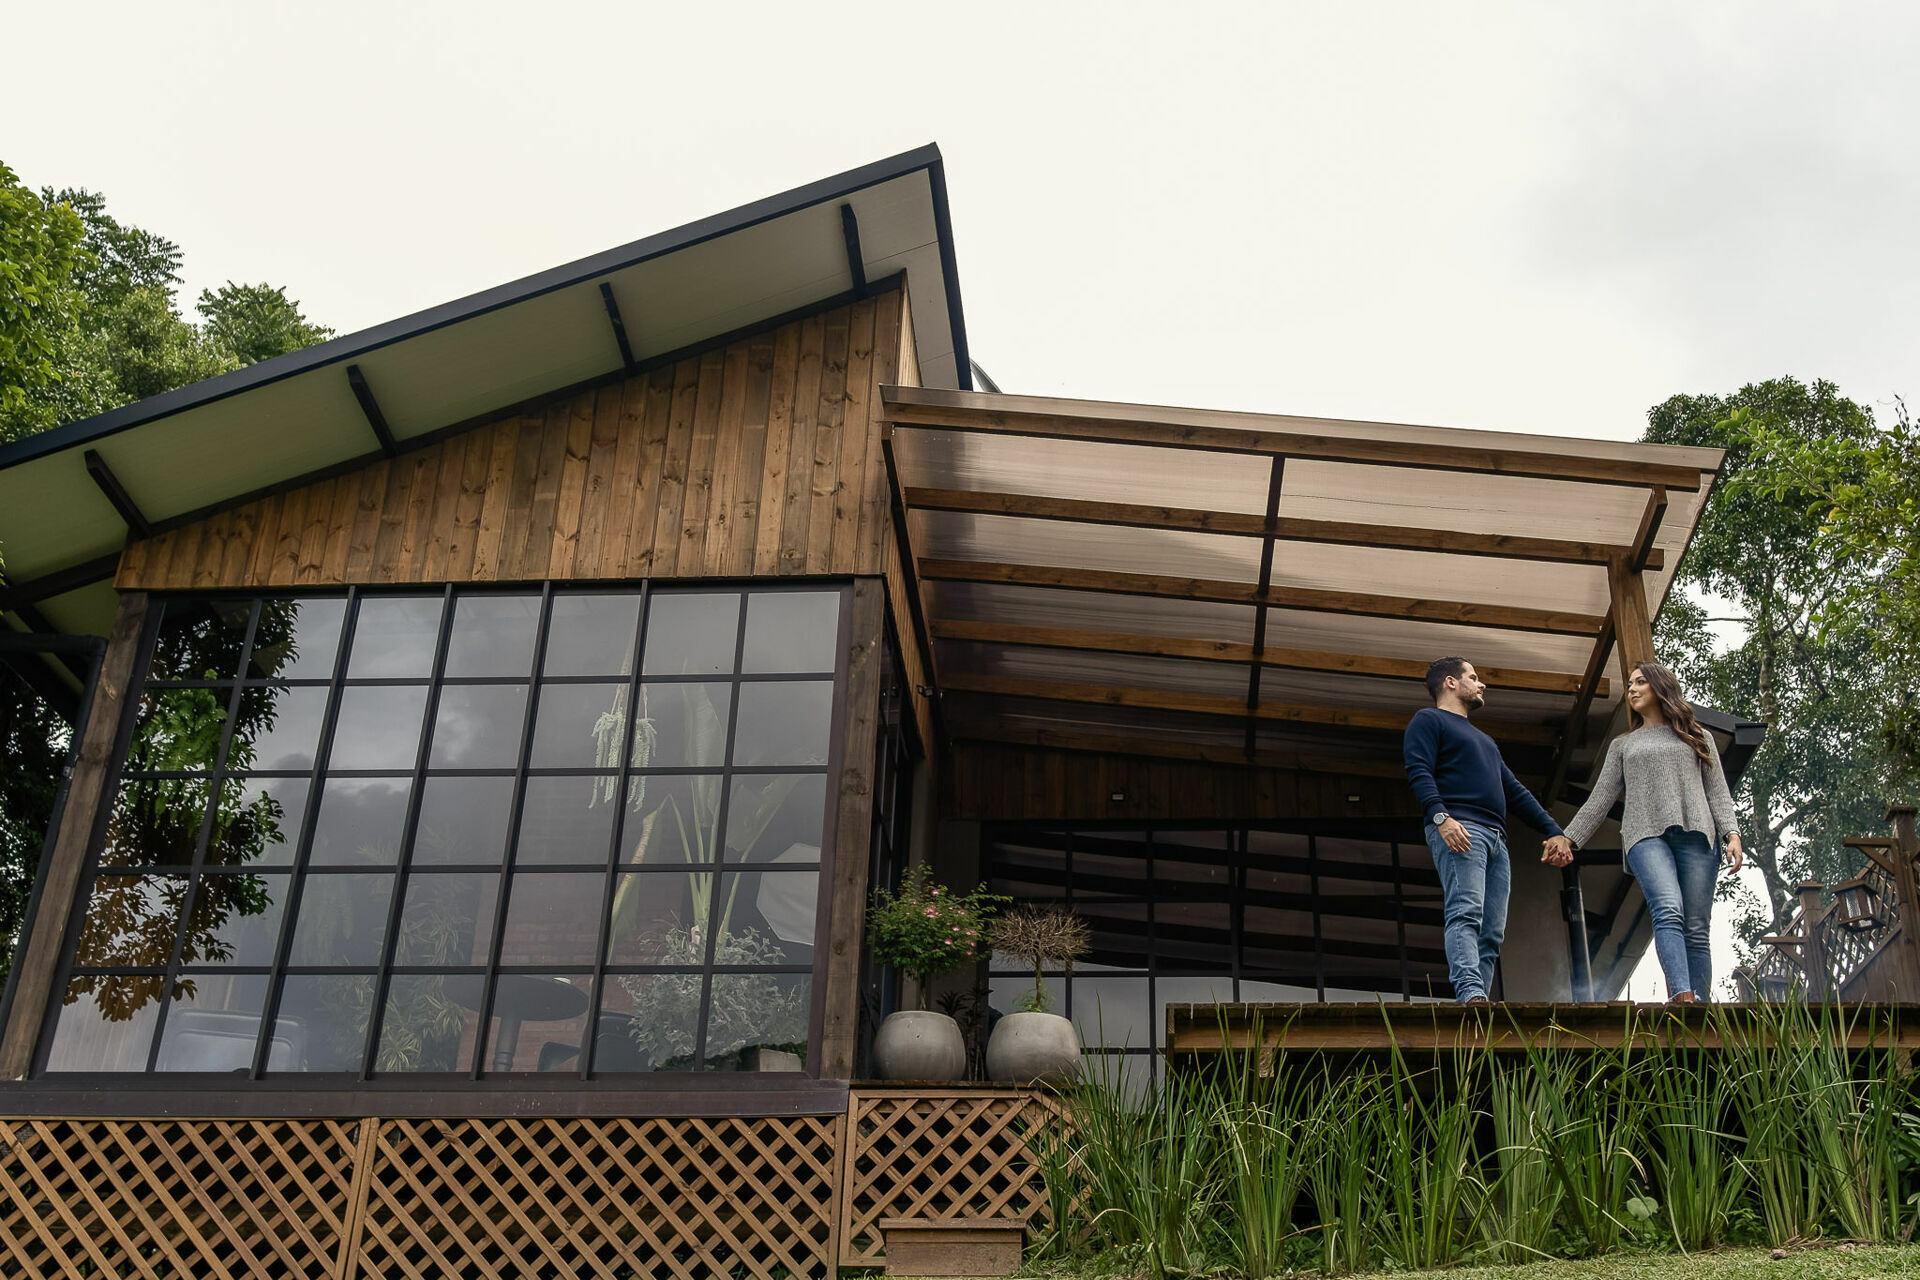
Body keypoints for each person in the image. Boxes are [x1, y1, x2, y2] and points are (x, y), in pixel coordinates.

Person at [1560, 660, 1744, 1003]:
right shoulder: (1623, 745)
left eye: (1640, 682)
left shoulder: (1698, 736)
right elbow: (1600, 798)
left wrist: (1731, 834)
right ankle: (1682, 995)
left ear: (1660, 687)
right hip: (1645, 837)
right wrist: (1569, 837)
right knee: (1668, 909)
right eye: (1630, 683)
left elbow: (1718, 792)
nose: (1632, 689)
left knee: (1696, 927)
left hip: (1698, 836)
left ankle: (1700, 1008)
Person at [1404, 657, 1573, 1004]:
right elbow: (1418, 770)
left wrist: (1554, 830)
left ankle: (1478, 1003)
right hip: (1461, 828)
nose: (1481, 684)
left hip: (1497, 838)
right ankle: (1470, 993)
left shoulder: (1486, 742)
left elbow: (1515, 792)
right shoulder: (1429, 720)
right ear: (1450, 682)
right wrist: (1441, 817)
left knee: (1493, 931)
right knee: (1466, 911)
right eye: (1474, 677)